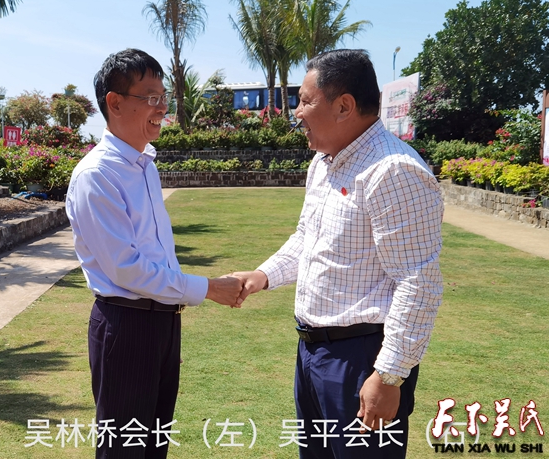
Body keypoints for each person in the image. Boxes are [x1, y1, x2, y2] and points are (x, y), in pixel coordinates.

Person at [234, 49, 443, 458]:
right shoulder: (324, 162)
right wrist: (263, 275)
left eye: (305, 101)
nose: (297, 113)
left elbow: (418, 282)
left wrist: (389, 375)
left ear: (344, 106)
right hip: (313, 351)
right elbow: (308, 238)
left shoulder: (393, 171)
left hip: (362, 357)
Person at [66, 48, 242, 459]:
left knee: (153, 446)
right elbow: (127, 269)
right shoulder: (98, 175)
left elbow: (154, 252)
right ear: (114, 102)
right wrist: (208, 287)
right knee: (124, 449)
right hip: (127, 326)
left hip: (162, 323)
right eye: (150, 97)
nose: (162, 108)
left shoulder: (145, 165)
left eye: (164, 97)